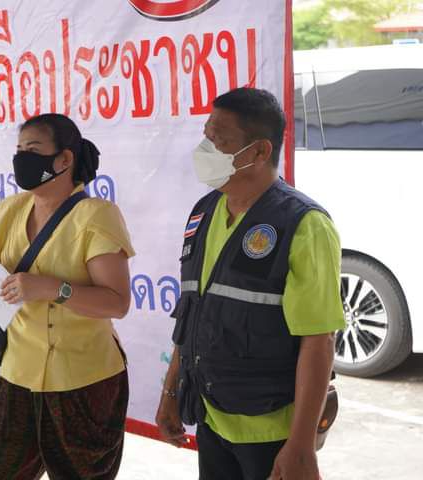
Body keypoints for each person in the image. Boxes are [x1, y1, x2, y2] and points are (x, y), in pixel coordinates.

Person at [155, 87, 345, 480]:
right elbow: (192, 312)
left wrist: (301, 445)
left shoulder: (304, 225)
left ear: (259, 152)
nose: (206, 148)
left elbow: (318, 341)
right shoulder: (204, 212)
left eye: (219, 140)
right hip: (211, 417)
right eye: (206, 136)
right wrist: (171, 392)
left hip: (271, 429)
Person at [0, 113, 135, 480]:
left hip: (83, 382)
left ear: (64, 159)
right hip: (17, 374)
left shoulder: (96, 216)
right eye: (19, 150)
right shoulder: (10, 209)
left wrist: (53, 288)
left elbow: (117, 303)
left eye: (33, 150)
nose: (22, 158)